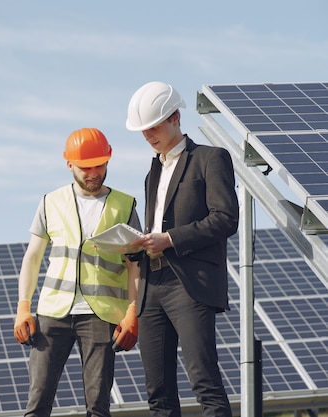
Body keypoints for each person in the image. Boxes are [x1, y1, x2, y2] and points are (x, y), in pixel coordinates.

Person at [125, 81, 239, 417]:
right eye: (144, 130)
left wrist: (170, 238)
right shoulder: (152, 172)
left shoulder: (210, 158)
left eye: (154, 126)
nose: (148, 135)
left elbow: (225, 219)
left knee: (205, 383)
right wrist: (138, 244)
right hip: (151, 286)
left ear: (175, 117)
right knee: (158, 393)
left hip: (189, 284)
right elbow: (156, 226)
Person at [13, 127, 142, 417]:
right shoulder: (51, 202)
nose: (93, 172)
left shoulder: (125, 205)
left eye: (100, 165)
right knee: (37, 404)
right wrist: (23, 307)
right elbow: (32, 257)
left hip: (102, 315)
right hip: (53, 313)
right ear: (69, 164)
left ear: (109, 159)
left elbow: (135, 263)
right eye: (85, 167)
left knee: (98, 407)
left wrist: (132, 311)